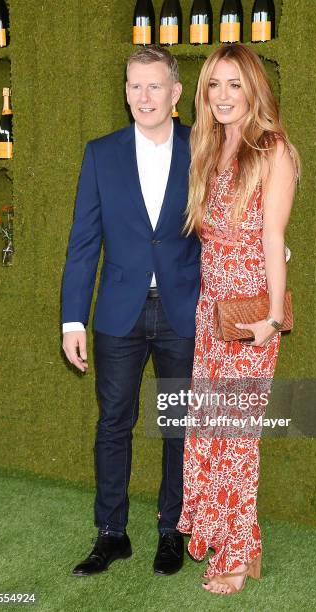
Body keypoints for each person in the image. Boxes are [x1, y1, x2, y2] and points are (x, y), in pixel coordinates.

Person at [61, 46, 201, 577]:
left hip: (183, 310)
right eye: (134, 86)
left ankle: (172, 530)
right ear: (125, 91)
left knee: (176, 425)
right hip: (118, 313)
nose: (143, 96)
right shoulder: (100, 153)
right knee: (114, 423)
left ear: (176, 93)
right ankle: (112, 533)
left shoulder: (203, 147)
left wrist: (271, 247)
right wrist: (73, 319)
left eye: (154, 86)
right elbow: (83, 242)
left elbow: (235, 213)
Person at [176, 44, 301, 595]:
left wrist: (272, 320)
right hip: (213, 315)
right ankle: (238, 545)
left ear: (254, 90)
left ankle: (234, 558)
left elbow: (274, 239)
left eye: (234, 85)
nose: (223, 96)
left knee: (235, 437)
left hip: (250, 317)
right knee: (210, 433)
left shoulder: (271, 148)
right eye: (213, 85)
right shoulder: (210, 148)